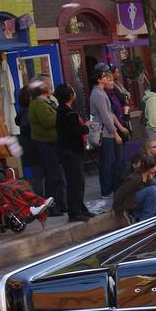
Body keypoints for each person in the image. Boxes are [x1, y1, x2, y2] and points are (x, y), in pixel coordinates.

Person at [27, 76, 66, 216]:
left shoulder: (50, 100)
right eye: (48, 83)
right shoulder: (38, 103)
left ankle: (62, 203)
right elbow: (47, 121)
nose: (51, 85)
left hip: (55, 143)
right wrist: (61, 114)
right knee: (52, 175)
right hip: (45, 144)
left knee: (58, 176)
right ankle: (51, 206)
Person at [89, 62, 129, 199]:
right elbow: (106, 117)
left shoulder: (101, 92)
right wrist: (116, 133)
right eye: (105, 76)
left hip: (108, 132)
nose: (107, 78)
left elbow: (110, 112)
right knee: (107, 163)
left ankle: (112, 187)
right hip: (104, 134)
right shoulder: (98, 94)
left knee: (113, 162)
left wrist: (120, 127)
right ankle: (106, 190)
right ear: (99, 79)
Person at [54, 84, 93, 222]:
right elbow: (74, 133)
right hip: (71, 152)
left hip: (69, 152)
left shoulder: (63, 110)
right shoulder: (68, 113)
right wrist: (86, 127)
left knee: (79, 182)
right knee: (75, 182)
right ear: (70, 96)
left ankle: (80, 208)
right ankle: (74, 211)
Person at [113, 154, 156, 221]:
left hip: (139, 201)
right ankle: (145, 220)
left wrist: (150, 179)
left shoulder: (148, 177)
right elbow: (120, 192)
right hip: (130, 201)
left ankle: (135, 214)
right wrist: (116, 208)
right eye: (154, 166)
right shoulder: (136, 178)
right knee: (152, 190)